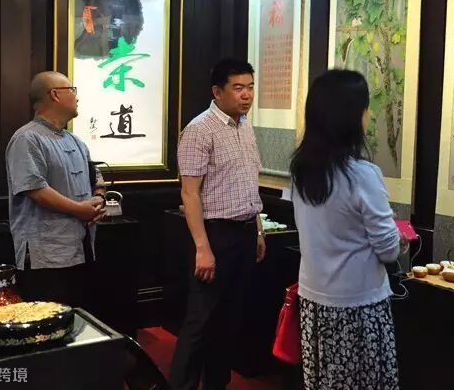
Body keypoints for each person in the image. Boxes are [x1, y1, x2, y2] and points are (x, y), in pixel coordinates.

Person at [290, 69, 406, 390]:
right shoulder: (363, 174)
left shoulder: (301, 171)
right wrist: (400, 237)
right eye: (365, 109)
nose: (368, 116)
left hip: (314, 300)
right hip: (358, 305)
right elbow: (388, 249)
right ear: (351, 117)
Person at [170, 58, 267, 390]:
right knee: (200, 321)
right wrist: (202, 247)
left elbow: (249, 183)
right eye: (238, 88)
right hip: (214, 235)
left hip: (244, 232)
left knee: (230, 320)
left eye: (250, 87)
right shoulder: (200, 130)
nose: (246, 95)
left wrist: (257, 229)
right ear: (217, 91)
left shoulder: (245, 126)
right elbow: (189, 193)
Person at [5, 71, 106, 308]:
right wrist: (80, 210)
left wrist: (98, 201)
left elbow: (97, 179)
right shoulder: (27, 138)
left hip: (81, 248)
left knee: (78, 317)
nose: (76, 97)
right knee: (48, 320)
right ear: (55, 95)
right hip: (46, 254)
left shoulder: (76, 141)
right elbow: (35, 190)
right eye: (72, 90)